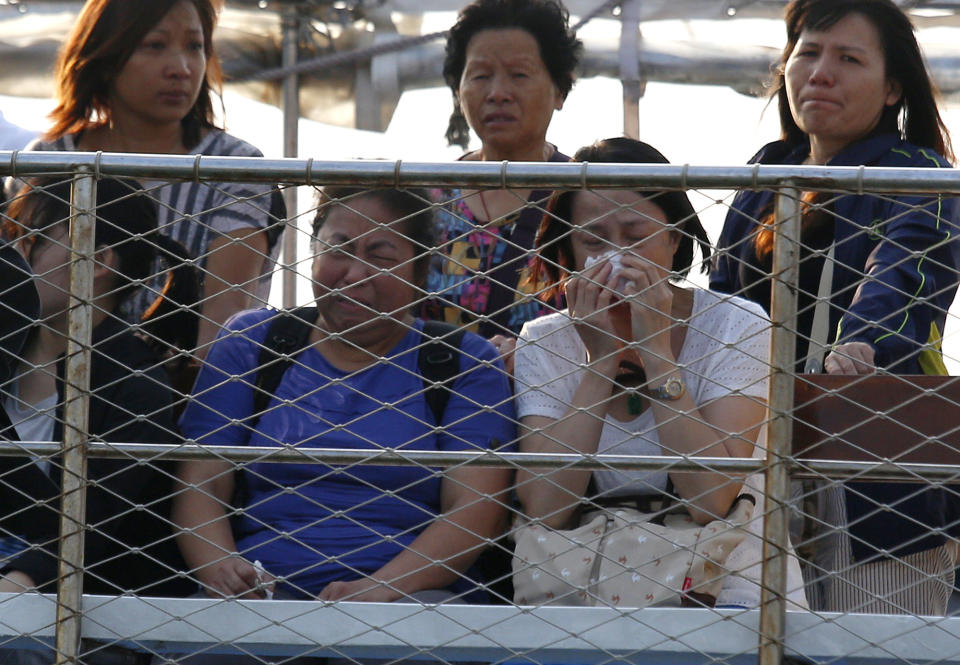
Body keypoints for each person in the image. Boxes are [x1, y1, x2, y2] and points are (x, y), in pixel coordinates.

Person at [709, 0, 959, 614]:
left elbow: (905, 270)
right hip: (754, 453)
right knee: (749, 641)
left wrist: (861, 342)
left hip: (877, 452)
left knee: (874, 642)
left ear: (892, 86)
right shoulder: (768, 173)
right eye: (809, 53)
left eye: (849, 59)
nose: (821, 73)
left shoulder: (917, 172)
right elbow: (719, 302)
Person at [174, 187, 515, 606]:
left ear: (420, 272)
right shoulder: (252, 343)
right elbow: (199, 482)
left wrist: (381, 588)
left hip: (412, 596)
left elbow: (476, 507)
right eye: (339, 250)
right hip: (259, 593)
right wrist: (221, 568)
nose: (354, 274)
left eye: (382, 257)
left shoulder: (464, 361)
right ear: (313, 252)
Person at [512, 137, 807, 609]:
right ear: (566, 249)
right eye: (594, 240)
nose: (616, 257)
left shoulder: (739, 323)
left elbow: (710, 498)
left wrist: (655, 350)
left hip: (728, 585)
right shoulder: (544, 339)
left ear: (674, 238)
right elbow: (548, 506)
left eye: (636, 236)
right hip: (584, 585)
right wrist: (601, 360)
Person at [20, 0, 284, 355]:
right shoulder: (49, 160)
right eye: (155, 45)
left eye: (195, 46)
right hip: (44, 382)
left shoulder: (236, 168)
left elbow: (222, 334)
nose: (181, 68)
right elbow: (16, 298)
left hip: (183, 393)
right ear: (106, 55)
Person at [0, 177, 198, 602]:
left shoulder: (137, 389)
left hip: (82, 614)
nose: (12, 255)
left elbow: (87, 529)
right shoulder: (7, 352)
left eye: (30, 239)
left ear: (97, 258)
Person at [419, 0, 582, 360]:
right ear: (458, 90)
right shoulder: (424, 201)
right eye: (479, 75)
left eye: (519, 75)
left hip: (558, 408)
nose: (498, 93)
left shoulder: (585, 197)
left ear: (559, 89)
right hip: (441, 410)